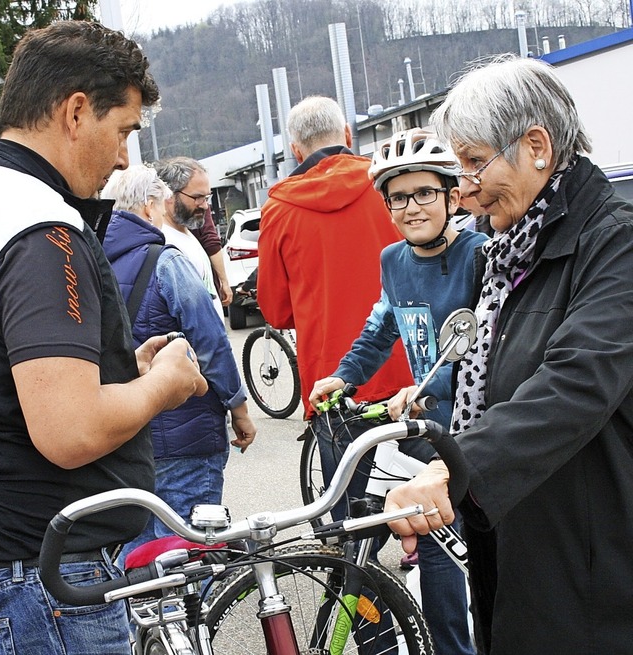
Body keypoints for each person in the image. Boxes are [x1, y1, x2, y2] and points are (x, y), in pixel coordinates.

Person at [384, 54, 633, 655]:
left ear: (537, 146)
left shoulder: (615, 240)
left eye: (473, 163)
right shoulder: (509, 251)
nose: (462, 188)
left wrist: (457, 469)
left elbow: (576, 380)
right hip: (517, 540)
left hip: (590, 559)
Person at [0, 21, 208, 653]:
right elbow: (70, 429)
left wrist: (117, 372)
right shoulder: (40, 227)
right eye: (124, 133)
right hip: (44, 580)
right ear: (76, 111)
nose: (123, 159)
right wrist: (164, 387)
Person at [310, 128, 485, 655]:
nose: (412, 207)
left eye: (425, 193)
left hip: (465, 432)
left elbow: (490, 355)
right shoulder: (393, 260)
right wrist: (344, 376)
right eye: (398, 198)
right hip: (416, 428)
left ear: (452, 197)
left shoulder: (481, 255)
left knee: (439, 557)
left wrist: (425, 387)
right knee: (360, 530)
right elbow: (381, 328)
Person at [257, 95, 414, 521]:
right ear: (347, 135)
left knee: (348, 511)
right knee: (425, 496)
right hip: (410, 367)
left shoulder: (280, 209)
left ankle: (357, 581)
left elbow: (274, 309)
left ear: (295, 150)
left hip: (334, 379)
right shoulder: (392, 185)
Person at [101, 165, 256, 562]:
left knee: (138, 551)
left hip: (125, 427)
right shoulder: (164, 261)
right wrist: (238, 408)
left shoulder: (91, 261)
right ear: (150, 205)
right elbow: (210, 342)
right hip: (187, 429)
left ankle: (144, 624)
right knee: (190, 548)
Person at [154, 156, 229, 322]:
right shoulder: (167, 245)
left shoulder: (186, 232)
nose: (205, 205)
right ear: (169, 195)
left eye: (206, 197)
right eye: (197, 197)